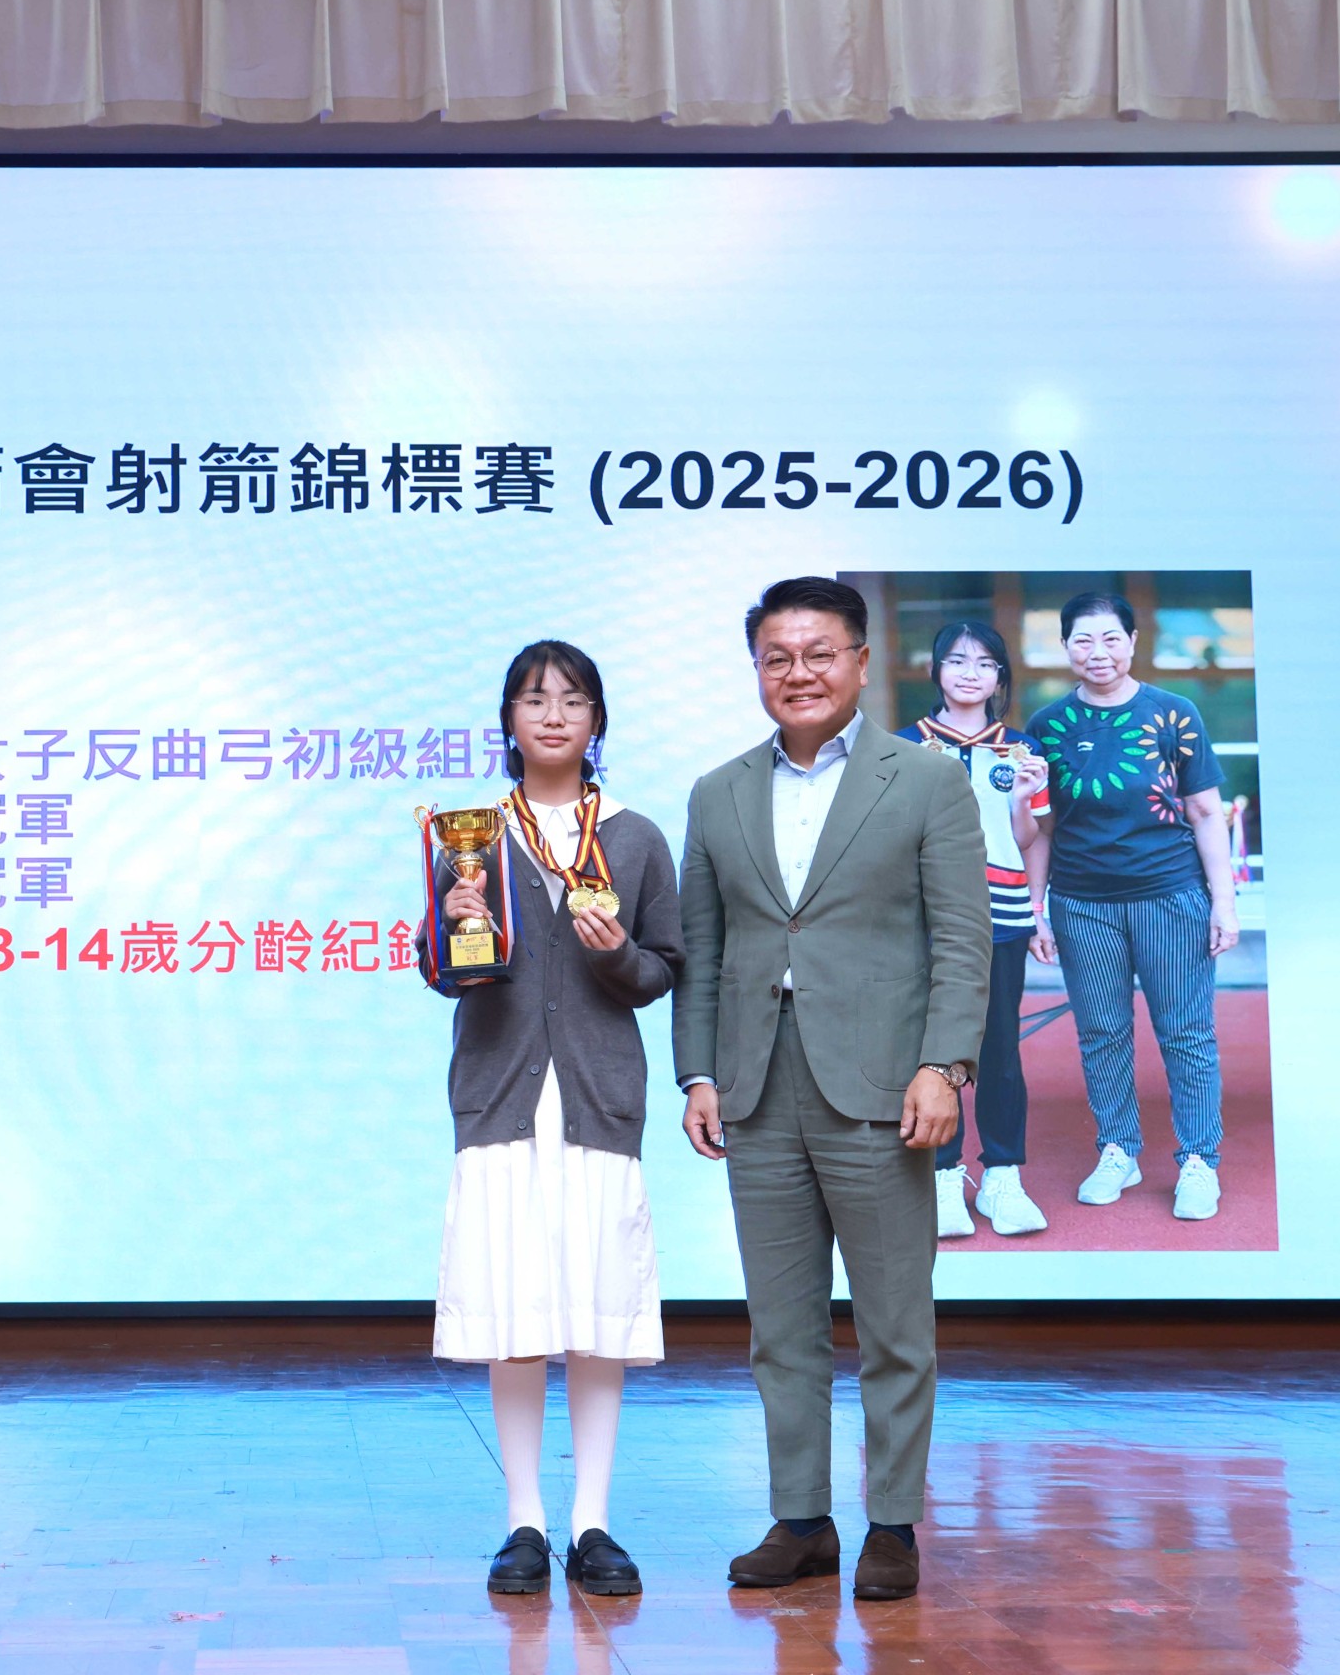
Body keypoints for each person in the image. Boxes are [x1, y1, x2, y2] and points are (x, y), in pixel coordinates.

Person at [675, 577, 988, 1602]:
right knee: (781, 1327)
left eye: (818, 653)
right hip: (757, 1090)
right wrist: (699, 1072)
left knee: (894, 1324)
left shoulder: (926, 780)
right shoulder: (717, 792)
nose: (798, 673)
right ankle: (801, 1519)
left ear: (859, 661)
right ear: (756, 670)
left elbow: (962, 939)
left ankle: (891, 1523)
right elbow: (705, 950)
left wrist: (944, 1065)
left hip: (884, 1091)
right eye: (777, 657)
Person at [420, 640, 684, 1599]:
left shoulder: (636, 837)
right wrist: (458, 920)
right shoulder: (471, 836)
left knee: (599, 1314)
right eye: (534, 700)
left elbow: (661, 970)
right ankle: (524, 1521)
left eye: (573, 700)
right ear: (508, 722)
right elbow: (439, 970)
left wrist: (612, 954)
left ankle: (593, 1522)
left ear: (597, 721)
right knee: (515, 1310)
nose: (554, 715)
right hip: (500, 1098)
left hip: (597, 1100)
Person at [1025, 592, 1235, 1221]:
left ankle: (1199, 1159)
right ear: (1066, 647)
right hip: (1082, 904)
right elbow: (1044, 827)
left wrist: (1223, 902)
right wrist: (1036, 908)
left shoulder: (1173, 714)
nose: (1098, 652)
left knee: (1186, 1034)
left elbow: (1206, 812)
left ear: (1134, 643)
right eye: (1083, 640)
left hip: (1170, 896)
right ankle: (1118, 1148)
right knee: (1101, 1033)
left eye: (1111, 638)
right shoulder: (1047, 726)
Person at [894, 620, 1053, 1239]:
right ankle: (941, 1174)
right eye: (957, 661)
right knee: (933, 1045)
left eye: (985, 663)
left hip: (1002, 914)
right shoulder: (903, 747)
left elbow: (1028, 838)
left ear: (1000, 677)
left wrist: (1022, 800)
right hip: (924, 917)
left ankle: (1003, 1175)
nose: (970, 673)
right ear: (935, 670)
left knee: (999, 1047)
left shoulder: (1022, 750)